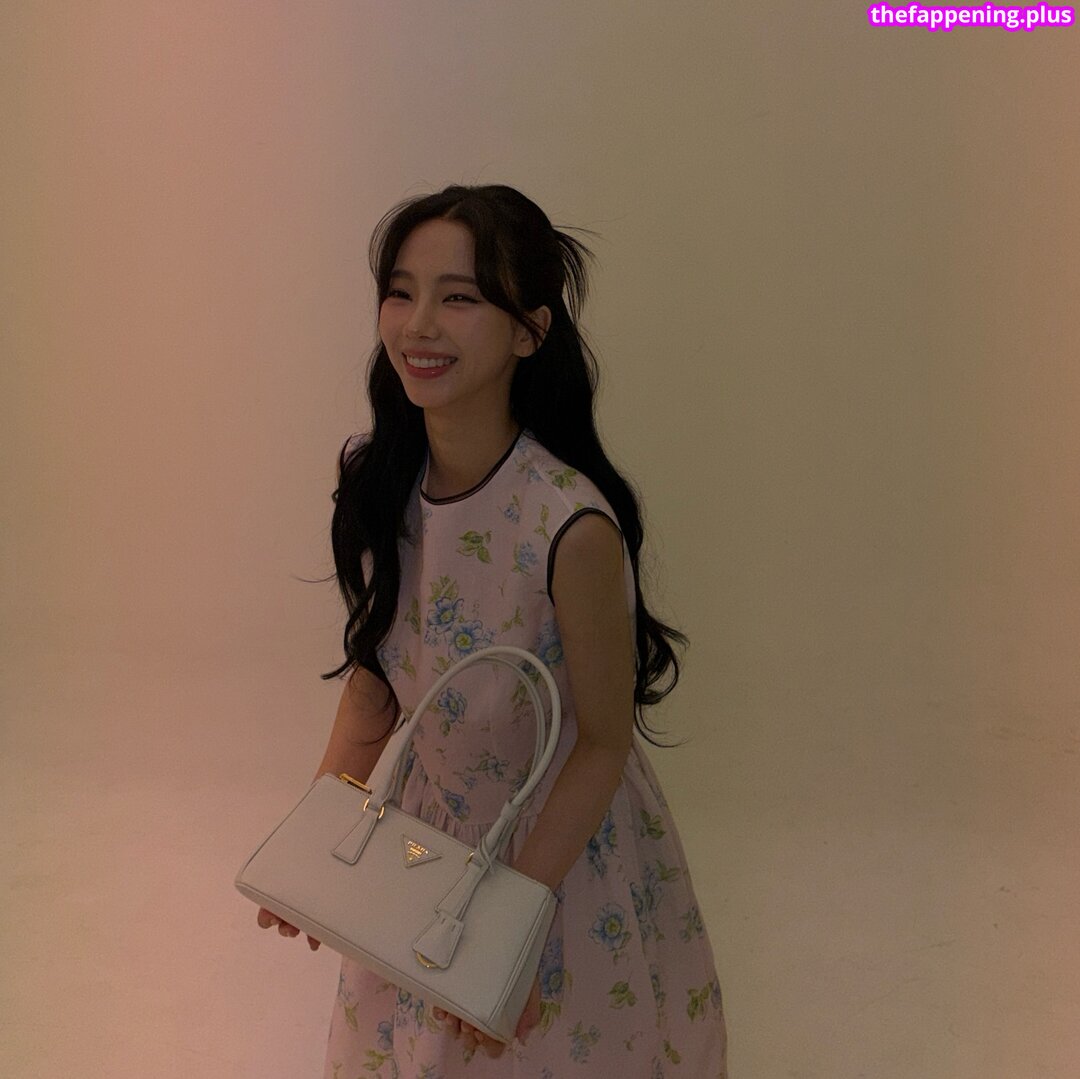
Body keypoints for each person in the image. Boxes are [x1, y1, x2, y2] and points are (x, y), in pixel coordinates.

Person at [257, 184, 728, 1077]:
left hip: (551, 859)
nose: (419, 325)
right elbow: (377, 679)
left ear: (529, 331)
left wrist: (510, 924)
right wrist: (312, 840)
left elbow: (602, 742)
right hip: (424, 851)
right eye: (401, 292)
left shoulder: (569, 526)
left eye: (460, 297)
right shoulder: (379, 483)